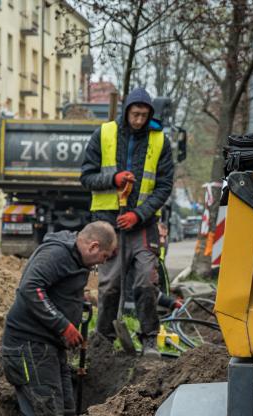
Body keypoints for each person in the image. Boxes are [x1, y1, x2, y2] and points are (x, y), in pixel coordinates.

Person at [2, 222, 117, 416]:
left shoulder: (76, 259)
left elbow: (54, 288)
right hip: (29, 346)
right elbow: (30, 288)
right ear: (94, 245)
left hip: (49, 348)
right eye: (103, 257)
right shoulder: (57, 254)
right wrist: (63, 324)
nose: (102, 263)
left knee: (66, 412)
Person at [80, 87, 174, 358]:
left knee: (146, 281)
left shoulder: (160, 141)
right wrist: (114, 179)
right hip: (109, 224)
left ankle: (149, 339)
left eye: (144, 115)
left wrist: (140, 213)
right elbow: (86, 177)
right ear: (126, 111)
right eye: (135, 114)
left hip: (143, 225)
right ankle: (104, 341)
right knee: (109, 285)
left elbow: (164, 186)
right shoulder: (104, 134)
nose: (139, 121)